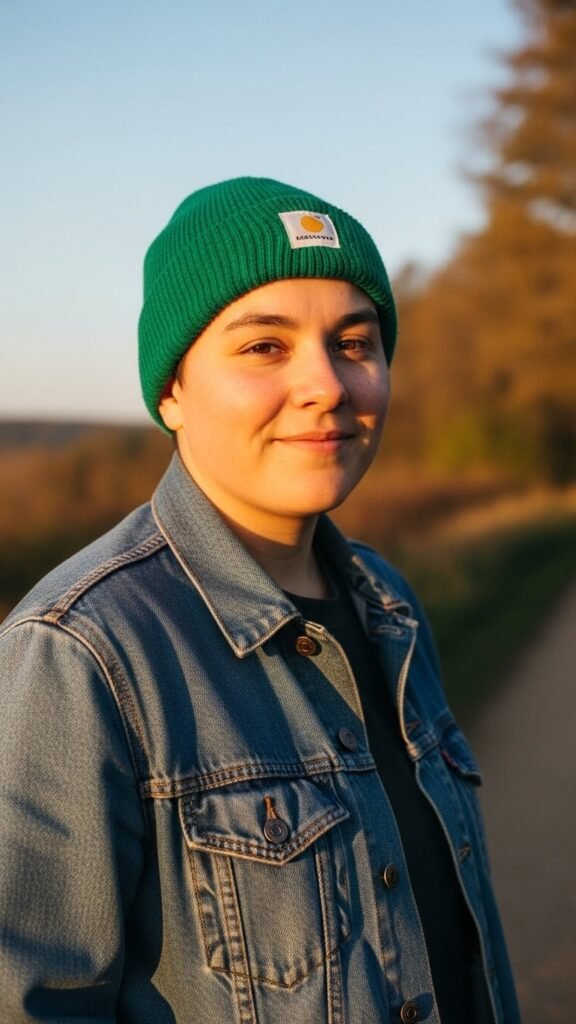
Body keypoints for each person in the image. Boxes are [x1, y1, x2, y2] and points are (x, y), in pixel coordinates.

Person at [0, 177, 521, 1023]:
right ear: (171, 391)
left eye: (354, 342)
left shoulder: (389, 602)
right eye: (265, 346)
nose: (328, 385)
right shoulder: (81, 650)